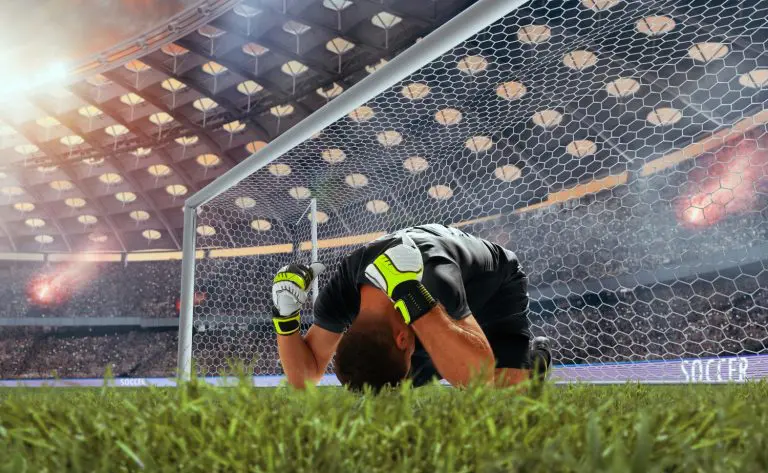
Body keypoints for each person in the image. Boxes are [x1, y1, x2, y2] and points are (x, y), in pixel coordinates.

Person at [271, 223, 551, 391]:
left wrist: (412, 296)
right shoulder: (344, 290)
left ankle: (534, 362)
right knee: (386, 384)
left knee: (506, 389)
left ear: (403, 339)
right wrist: (285, 319)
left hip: (492, 286)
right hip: (418, 298)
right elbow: (304, 379)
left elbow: (480, 376)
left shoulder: (433, 276)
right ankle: (429, 337)